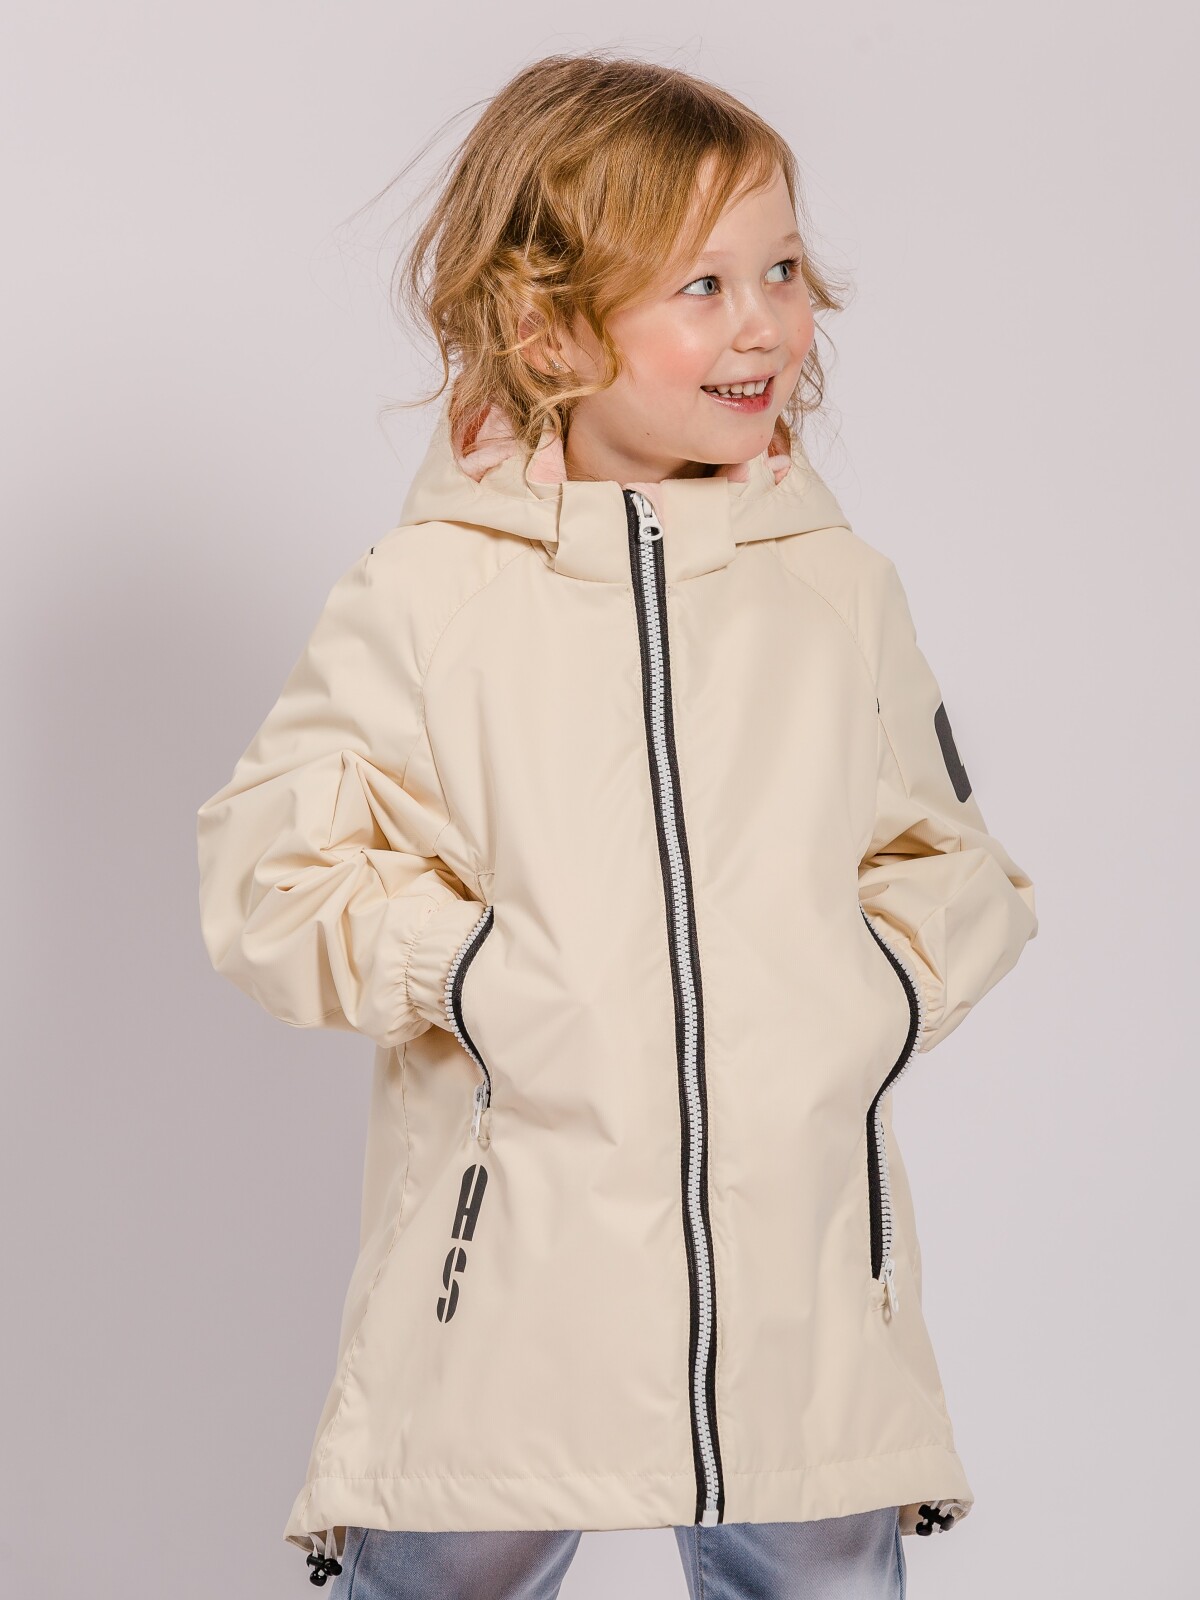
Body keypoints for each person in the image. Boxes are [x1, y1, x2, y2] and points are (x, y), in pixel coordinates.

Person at [196, 51, 1038, 1599]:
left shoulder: (836, 592)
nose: (763, 322)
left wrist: (863, 990)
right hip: (511, 1274)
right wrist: (476, 972)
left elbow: (956, 867)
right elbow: (265, 872)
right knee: (457, 1570)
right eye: (701, 284)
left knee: (819, 1570)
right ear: (547, 326)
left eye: (781, 269)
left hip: (796, 1271)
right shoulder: (430, 596)